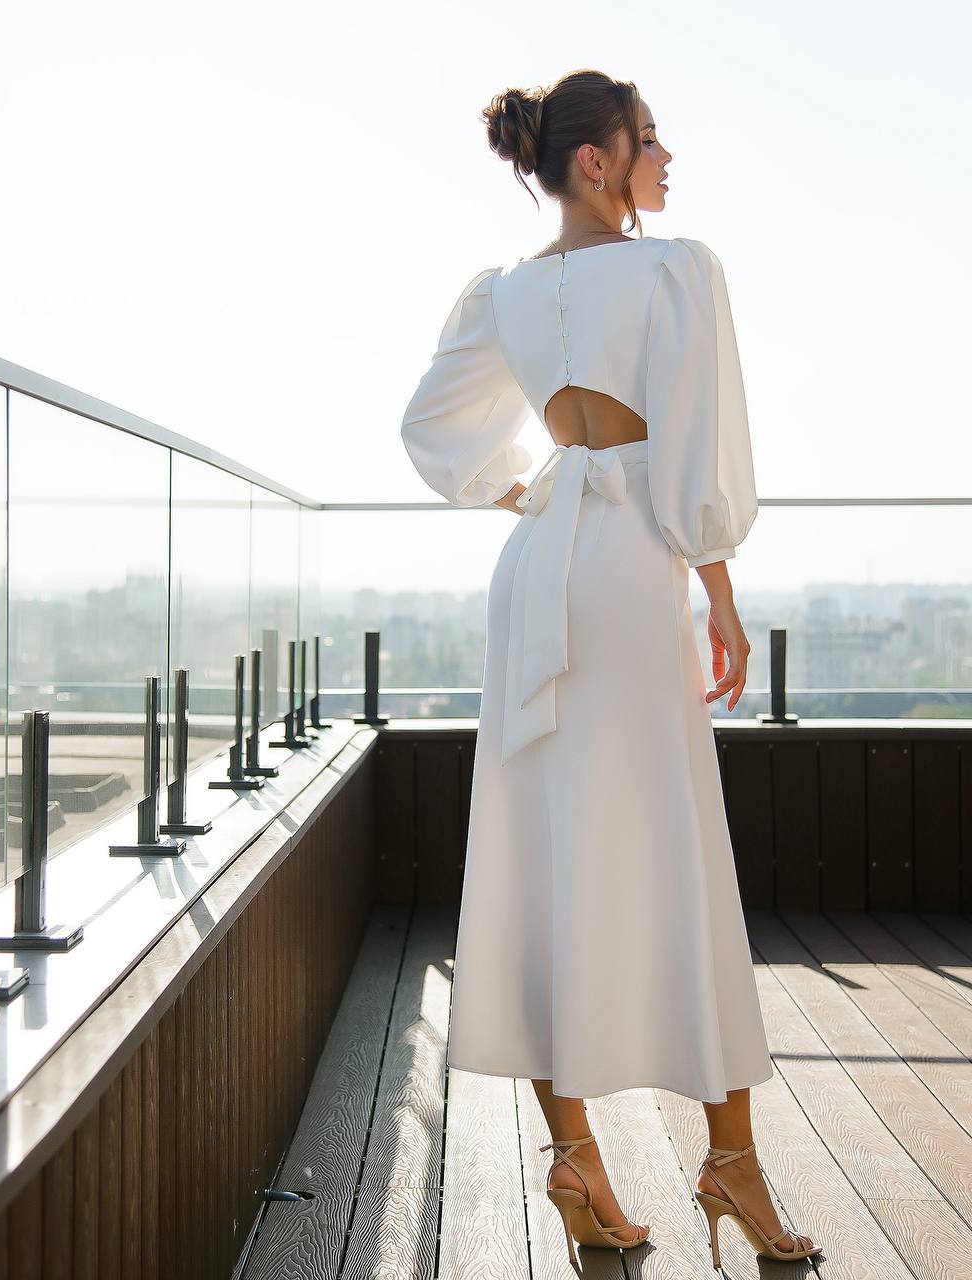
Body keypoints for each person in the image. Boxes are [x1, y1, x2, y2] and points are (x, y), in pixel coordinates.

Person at [400, 68, 821, 1271]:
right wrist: (723, 592)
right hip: (634, 565)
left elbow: (433, 425)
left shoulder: (502, 293)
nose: (665, 158)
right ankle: (729, 1160)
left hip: (537, 569)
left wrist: (522, 490)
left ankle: (573, 1151)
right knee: (675, 845)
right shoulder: (675, 270)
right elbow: (697, 443)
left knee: (543, 849)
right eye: (648, 140)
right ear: (596, 160)